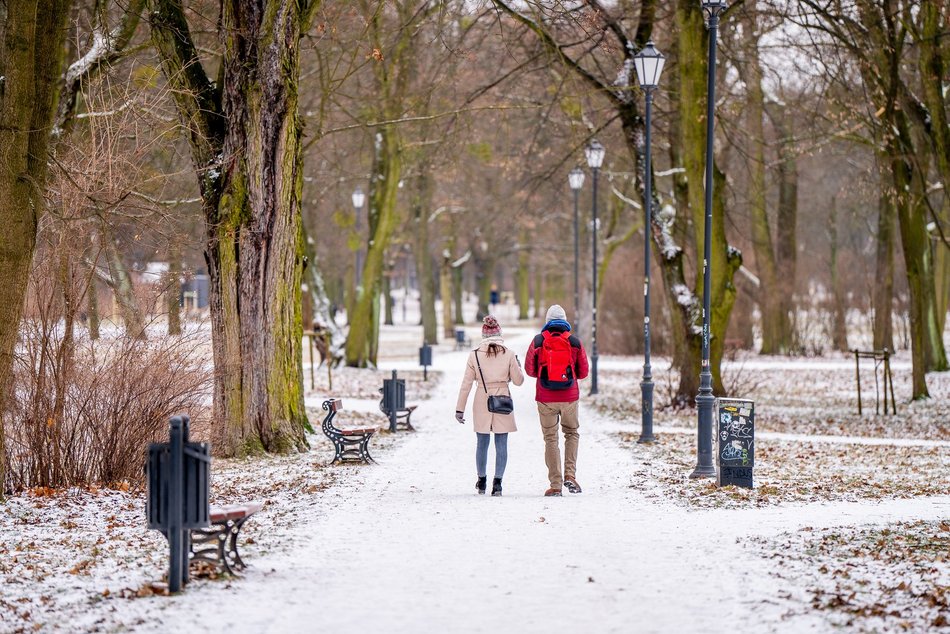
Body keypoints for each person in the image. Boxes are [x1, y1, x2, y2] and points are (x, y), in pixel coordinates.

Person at [524, 304, 589, 497]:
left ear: (547, 321)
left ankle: (555, 485)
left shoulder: (538, 341)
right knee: (571, 433)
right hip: (569, 397)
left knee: (551, 439)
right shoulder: (575, 342)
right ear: (565, 320)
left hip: (545, 397)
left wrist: (544, 374)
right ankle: (570, 475)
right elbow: (584, 372)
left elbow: (529, 370)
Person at [456, 315, 524, 496]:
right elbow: (518, 382)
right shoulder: (508, 354)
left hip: (482, 399)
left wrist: (459, 409)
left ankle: (482, 480)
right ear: (499, 333)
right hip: (502, 397)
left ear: (483, 335)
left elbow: (466, 384)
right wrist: (518, 366)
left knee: (482, 442)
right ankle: (498, 484)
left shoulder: (474, 355)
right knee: (501, 443)